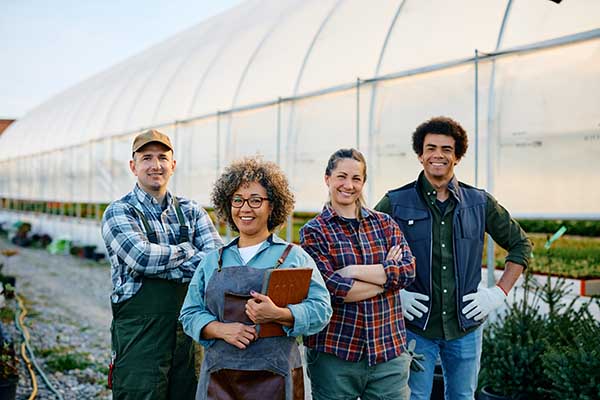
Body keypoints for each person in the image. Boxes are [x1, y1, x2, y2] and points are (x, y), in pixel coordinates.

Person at [374, 116, 532, 400]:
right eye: (431, 148)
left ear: (457, 157)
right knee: (414, 397)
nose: (438, 155)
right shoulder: (396, 202)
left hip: (465, 327)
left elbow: (521, 244)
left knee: (462, 396)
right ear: (420, 155)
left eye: (447, 149)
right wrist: (394, 294)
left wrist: (498, 292)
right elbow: (366, 247)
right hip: (414, 326)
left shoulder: (480, 203)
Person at [179, 156, 332, 400]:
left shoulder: (294, 257)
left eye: (255, 200)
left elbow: (322, 309)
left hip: (277, 377)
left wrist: (280, 314)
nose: (245, 208)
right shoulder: (213, 261)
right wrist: (220, 329)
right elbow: (188, 313)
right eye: (237, 200)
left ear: (272, 206)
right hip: (219, 379)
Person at [101, 129, 223, 399]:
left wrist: (164, 261)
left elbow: (215, 262)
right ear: (133, 166)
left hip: (188, 331)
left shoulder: (192, 211)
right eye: (146, 158)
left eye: (162, 158)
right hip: (139, 334)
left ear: (173, 165)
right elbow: (141, 257)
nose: (155, 165)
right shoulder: (119, 211)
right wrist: (188, 250)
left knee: (189, 393)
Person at [300, 148, 416, 400]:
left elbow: (407, 271)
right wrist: (387, 277)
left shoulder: (384, 223)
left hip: (388, 353)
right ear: (327, 178)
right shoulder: (314, 232)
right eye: (342, 176)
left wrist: (353, 271)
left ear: (363, 182)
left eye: (356, 179)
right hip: (336, 355)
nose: (348, 185)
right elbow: (333, 289)